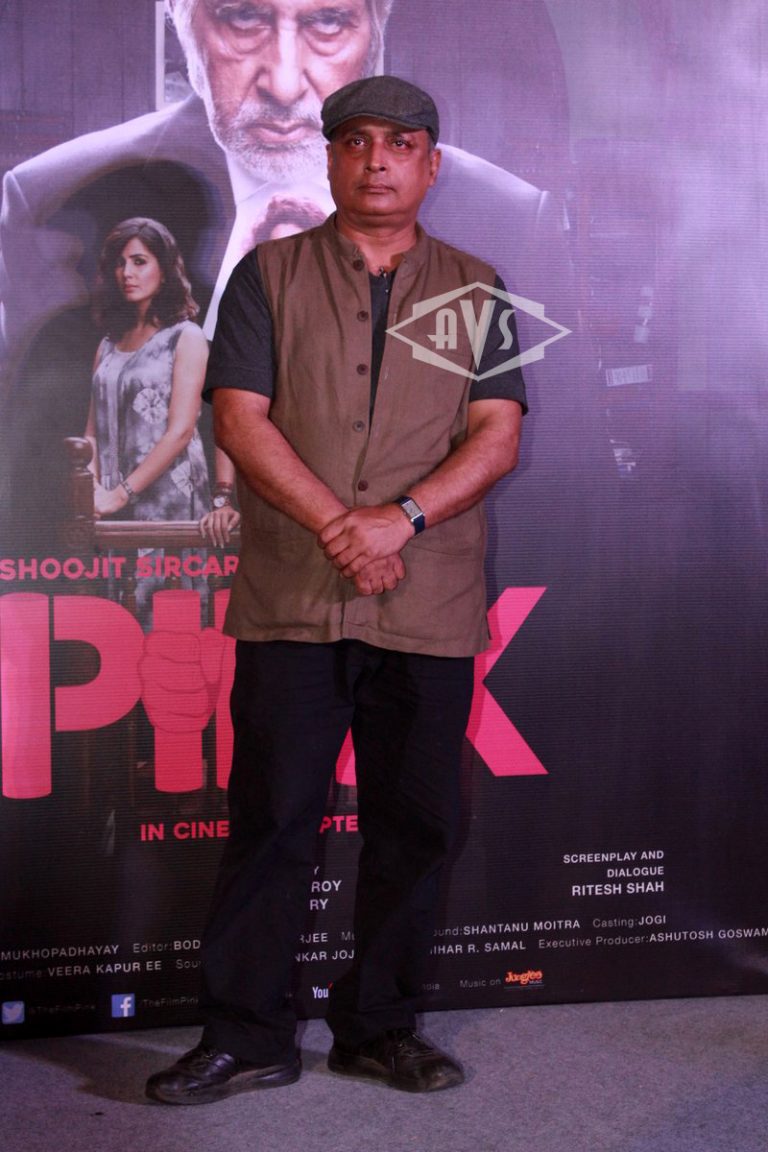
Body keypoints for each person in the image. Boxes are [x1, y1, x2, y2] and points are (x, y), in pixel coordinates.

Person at [145, 75, 526, 1105]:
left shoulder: (475, 287)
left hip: (426, 600)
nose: (377, 160)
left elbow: (496, 434)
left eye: (400, 144)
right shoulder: (269, 274)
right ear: (330, 159)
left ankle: (381, 1028)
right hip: (295, 598)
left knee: (416, 825)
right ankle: (246, 1035)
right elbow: (240, 419)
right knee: (273, 819)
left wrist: (399, 520)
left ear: (431, 164)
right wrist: (340, 527)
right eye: (356, 141)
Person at [84, 217, 211, 621]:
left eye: (139, 261)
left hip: (168, 502)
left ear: (165, 268)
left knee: (168, 622)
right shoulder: (108, 344)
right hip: (110, 505)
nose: (127, 272)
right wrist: (92, 489)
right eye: (120, 263)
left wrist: (121, 493)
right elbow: (91, 433)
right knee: (116, 619)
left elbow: (181, 431)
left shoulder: (186, 336)